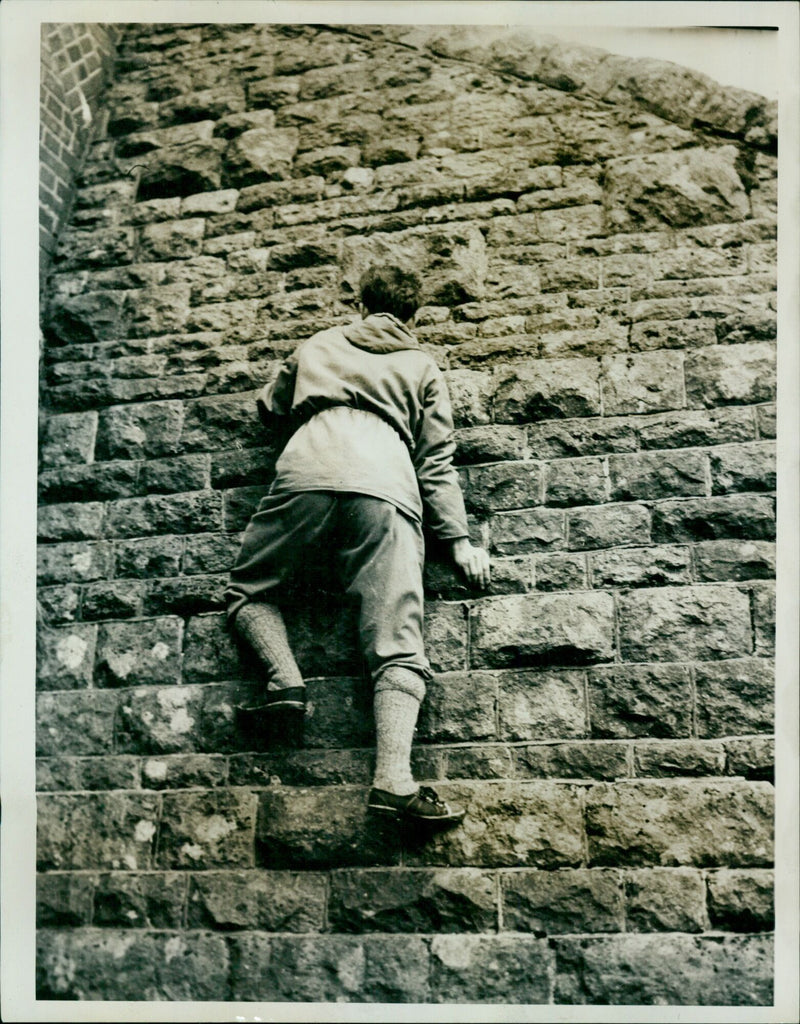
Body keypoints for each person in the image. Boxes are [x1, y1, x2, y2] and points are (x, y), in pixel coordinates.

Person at [225, 264, 491, 828]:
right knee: (396, 639)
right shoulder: (421, 365)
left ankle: (286, 683)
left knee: (250, 591)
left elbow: (268, 407)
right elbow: (436, 463)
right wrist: (460, 541)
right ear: (414, 313)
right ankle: (393, 784)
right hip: (385, 483)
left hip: (307, 471)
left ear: (361, 301)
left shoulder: (319, 343)